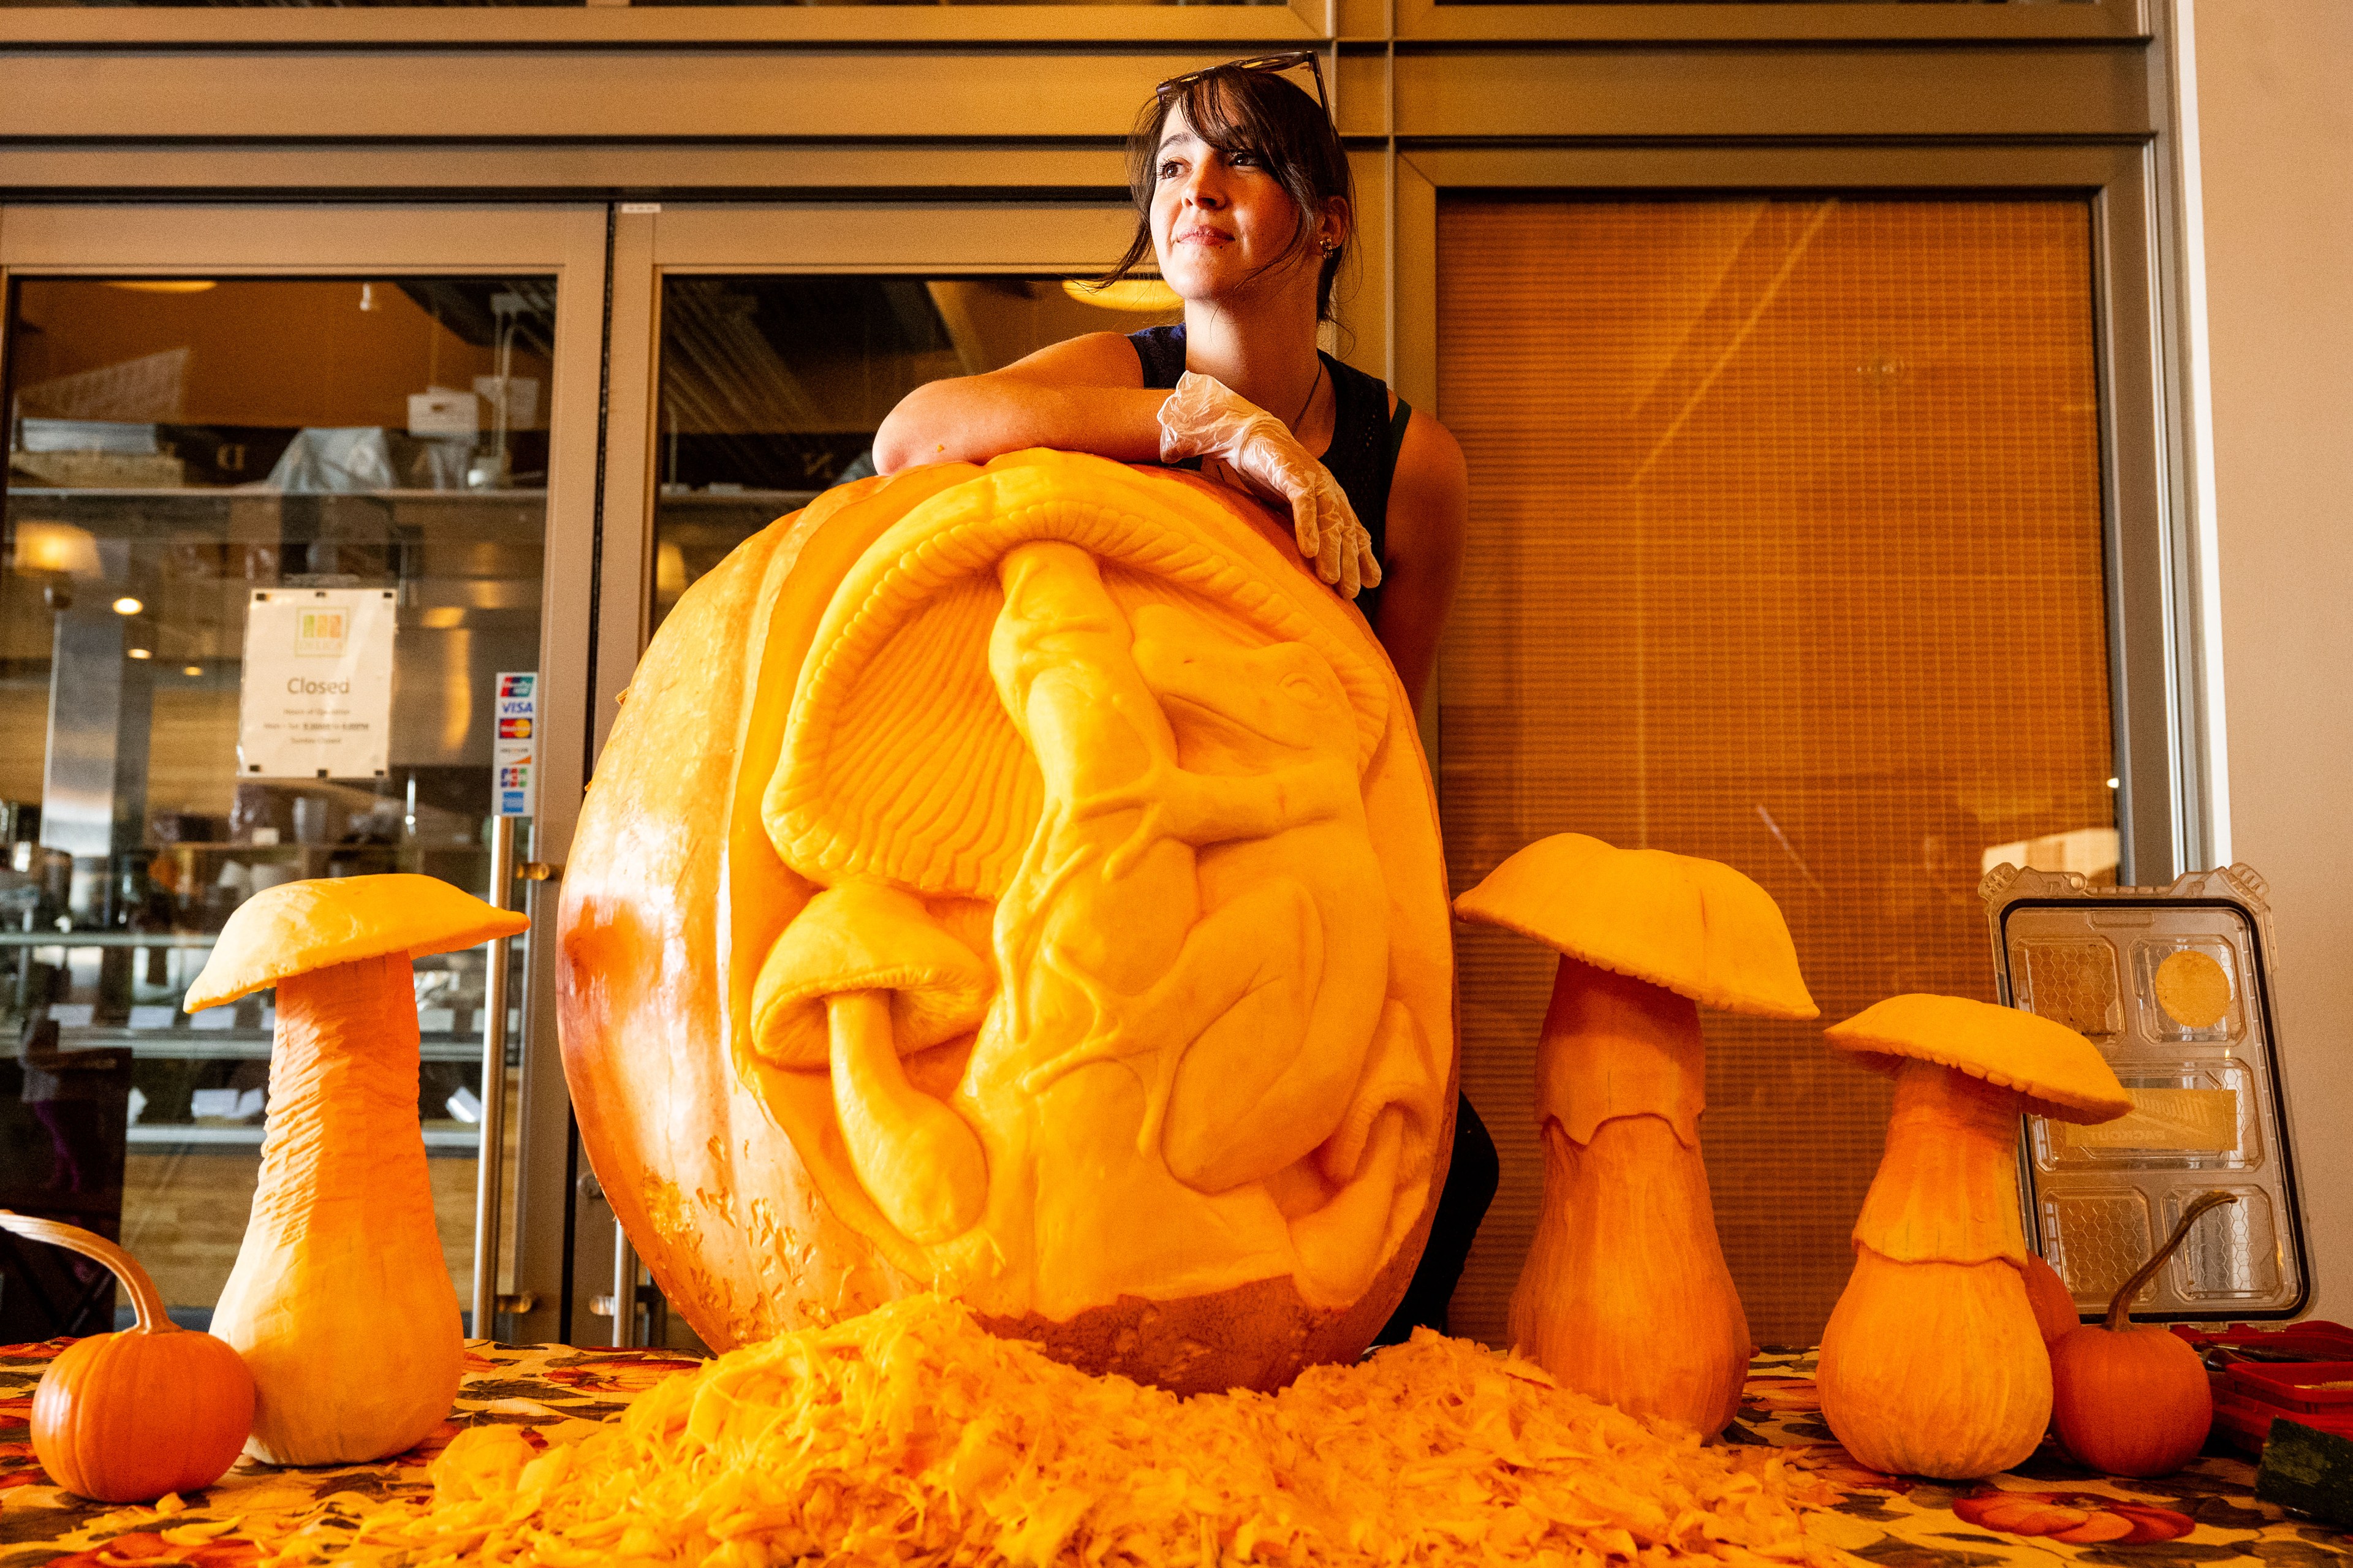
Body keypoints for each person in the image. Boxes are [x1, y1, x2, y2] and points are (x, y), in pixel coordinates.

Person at [873, 51, 1496, 1339]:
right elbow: (911, 438)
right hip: (1118, 845)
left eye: (1238, 160)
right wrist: (1201, 427)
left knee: (1443, 1166)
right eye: (1170, 166)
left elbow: (1393, 722)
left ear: (1325, 222)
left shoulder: (1411, 459)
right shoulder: (1115, 373)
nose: (1193, 187)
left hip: (1283, 844)